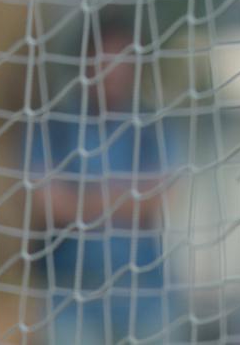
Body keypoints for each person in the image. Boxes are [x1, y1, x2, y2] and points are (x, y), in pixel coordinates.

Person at [26, 18, 173, 343]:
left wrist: (82, 202)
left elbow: (159, 197)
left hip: (144, 295)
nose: (113, 73)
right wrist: (123, 198)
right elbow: (50, 206)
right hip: (69, 294)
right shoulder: (53, 126)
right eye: (104, 61)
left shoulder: (151, 127)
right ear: (85, 64)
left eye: (123, 61)